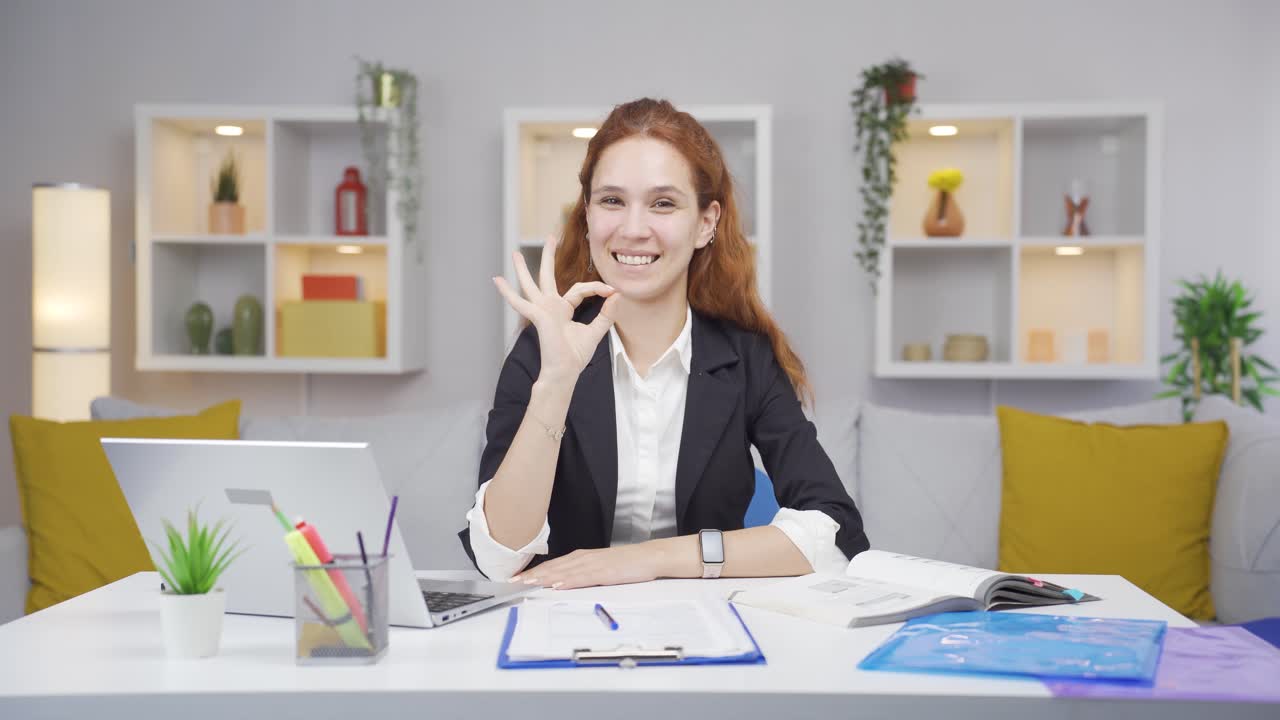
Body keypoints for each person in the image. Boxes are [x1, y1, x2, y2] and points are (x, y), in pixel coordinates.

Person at [459, 98, 869, 589]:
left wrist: (652, 558)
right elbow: (497, 559)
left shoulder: (746, 359)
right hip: (559, 630)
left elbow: (836, 533)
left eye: (663, 203)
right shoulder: (543, 351)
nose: (633, 229)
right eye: (612, 200)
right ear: (586, 214)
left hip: (706, 630)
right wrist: (556, 384)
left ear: (705, 223)